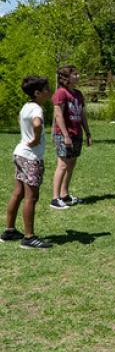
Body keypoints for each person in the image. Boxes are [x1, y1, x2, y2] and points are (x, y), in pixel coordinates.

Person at [2, 77, 52, 249]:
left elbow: (25, 122)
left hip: (20, 154)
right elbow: (37, 124)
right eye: (46, 89)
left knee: (18, 193)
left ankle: (9, 230)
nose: (49, 91)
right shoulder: (37, 109)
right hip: (31, 157)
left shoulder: (25, 107)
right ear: (37, 93)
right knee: (32, 197)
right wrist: (36, 139)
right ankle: (29, 238)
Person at [50, 66, 92, 210]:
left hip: (76, 133)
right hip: (64, 135)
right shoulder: (61, 93)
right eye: (75, 74)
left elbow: (82, 115)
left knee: (71, 164)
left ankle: (64, 194)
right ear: (66, 78)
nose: (78, 76)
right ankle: (55, 199)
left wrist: (88, 133)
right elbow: (58, 115)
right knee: (62, 164)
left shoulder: (78, 94)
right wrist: (65, 135)